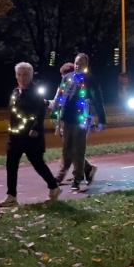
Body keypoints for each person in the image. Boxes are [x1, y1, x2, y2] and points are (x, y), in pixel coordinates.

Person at [0, 62, 62, 208]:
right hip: (15, 135)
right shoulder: (15, 92)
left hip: (31, 136)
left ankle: (54, 187)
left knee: (38, 164)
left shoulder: (35, 93)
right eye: (19, 74)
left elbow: (39, 112)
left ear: (31, 75)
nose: (22, 77)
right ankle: (11, 196)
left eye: (25, 74)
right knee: (11, 165)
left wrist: (36, 129)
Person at [54, 53, 107, 191]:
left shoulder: (90, 80)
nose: (77, 66)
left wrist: (102, 120)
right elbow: (60, 96)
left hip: (81, 119)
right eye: (76, 63)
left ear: (86, 65)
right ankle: (85, 171)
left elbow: (98, 100)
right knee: (67, 149)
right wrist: (55, 113)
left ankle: (77, 179)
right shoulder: (67, 77)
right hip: (66, 118)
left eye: (81, 64)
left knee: (78, 150)